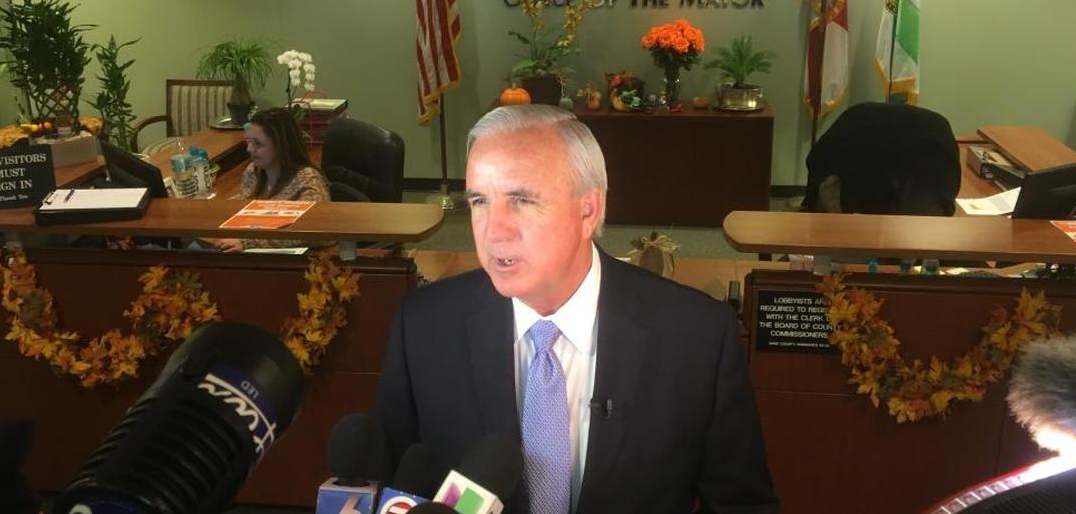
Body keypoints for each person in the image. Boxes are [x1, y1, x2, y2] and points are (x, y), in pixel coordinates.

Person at [375, 105, 778, 514]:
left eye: (522, 200)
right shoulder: (424, 328)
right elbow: (394, 487)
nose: (492, 230)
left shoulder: (698, 338)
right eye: (479, 200)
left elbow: (743, 505)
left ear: (588, 210)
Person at [207, 107, 329, 252]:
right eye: (248, 142)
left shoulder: (308, 180)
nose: (249, 149)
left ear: (281, 145)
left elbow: (313, 231)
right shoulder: (253, 172)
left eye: (258, 144)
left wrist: (247, 242)